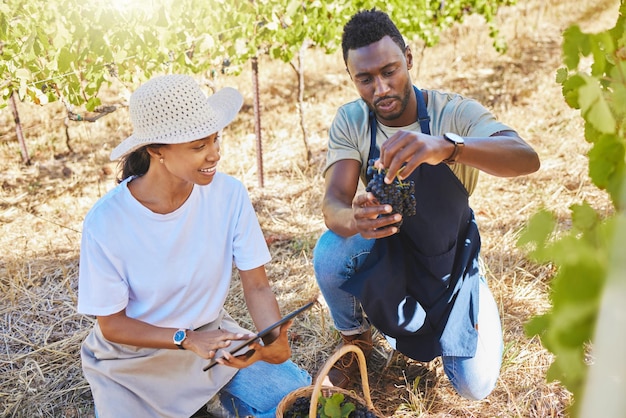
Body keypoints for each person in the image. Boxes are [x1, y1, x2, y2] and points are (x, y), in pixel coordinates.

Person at [313, 9, 540, 400]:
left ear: (409, 59)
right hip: (393, 248)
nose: (380, 88)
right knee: (331, 253)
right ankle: (356, 340)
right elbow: (333, 204)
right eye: (365, 79)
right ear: (352, 78)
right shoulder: (352, 120)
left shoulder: (452, 112)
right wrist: (354, 219)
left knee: (473, 386)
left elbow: (525, 157)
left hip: (451, 258)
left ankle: (476, 294)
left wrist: (447, 147)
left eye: (390, 70)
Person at [77, 74, 310, 418]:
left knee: (302, 404)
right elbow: (112, 325)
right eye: (199, 146)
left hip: (212, 341)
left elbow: (257, 285)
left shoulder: (228, 195)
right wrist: (185, 339)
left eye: (216, 140)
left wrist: (272, 341)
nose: (214, 154)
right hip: (133, 362)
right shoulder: (106, 222)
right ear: (156, 151)